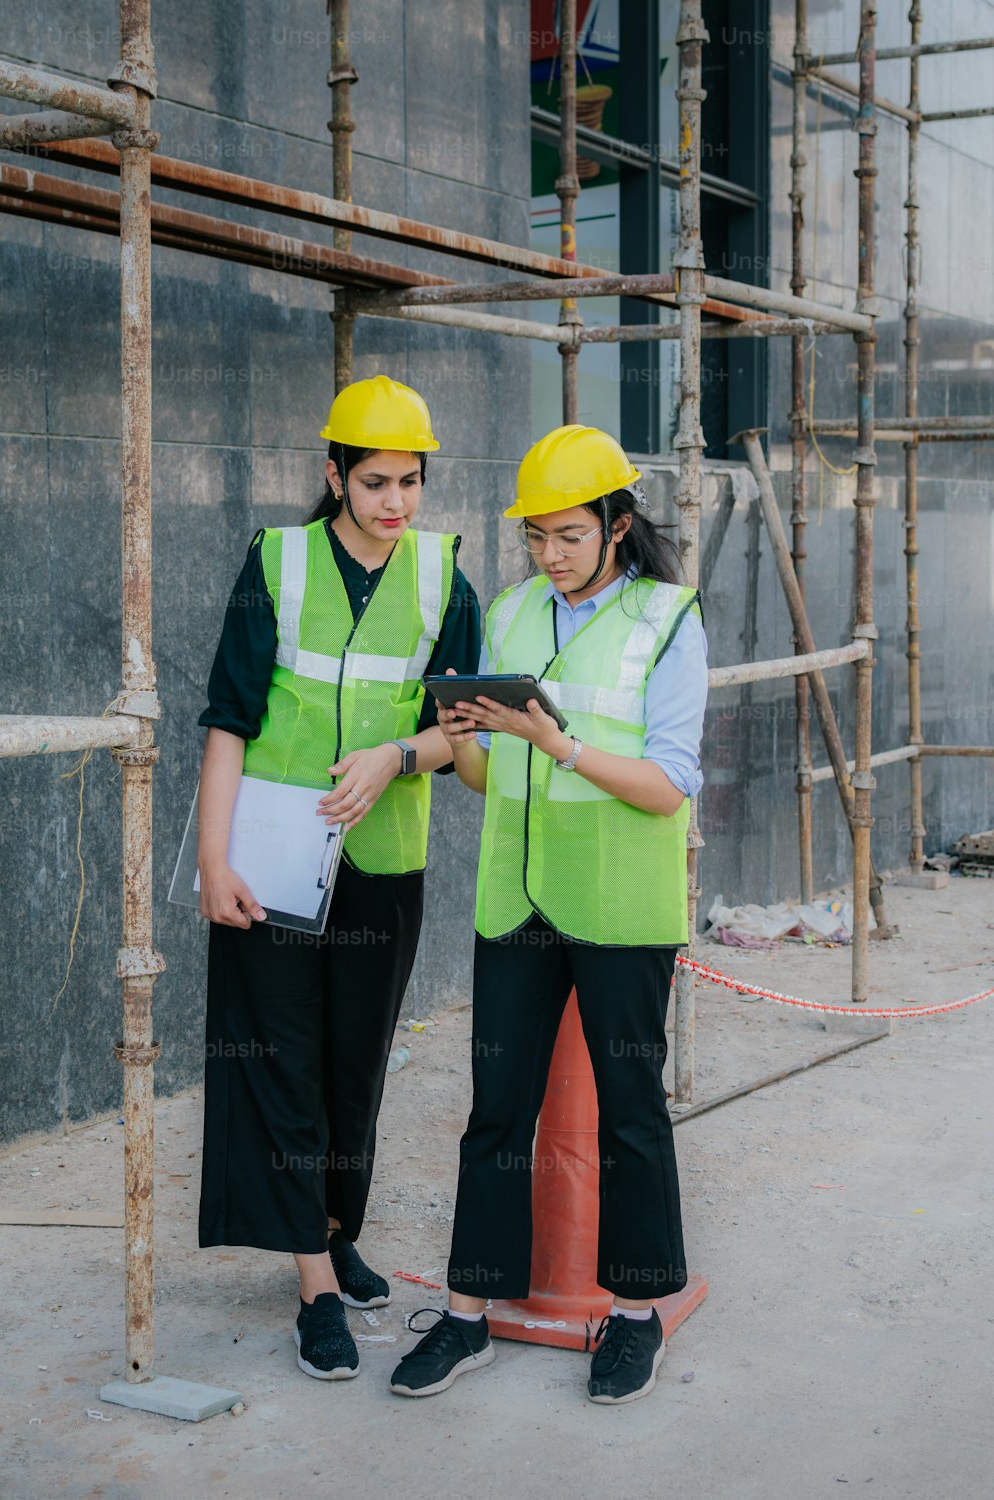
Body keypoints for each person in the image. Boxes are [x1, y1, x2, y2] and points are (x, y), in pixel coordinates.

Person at [390, 424, 708, 1405]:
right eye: (534, 537)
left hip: (619, 903)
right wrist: (464, 735)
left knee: (630, 1116)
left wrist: (555, 742)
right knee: (495, 1115)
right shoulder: (515, 611)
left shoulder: (669, 617)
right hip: (515, 901)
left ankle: (638, 1314)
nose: (548, 554)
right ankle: (468, 1312)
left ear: (618, 525)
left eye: (567, 534)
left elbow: (669, 786)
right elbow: (489, 780)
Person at [196, 375, 481, 1381]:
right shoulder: (274, 563)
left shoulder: (445, 576)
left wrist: (397, 757)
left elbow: (463, 733)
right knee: (282, 1058)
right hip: (271, 855)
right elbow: (228, 716)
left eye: (408, 482)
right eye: (373, 483)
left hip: (380, 859)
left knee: (354, 1065)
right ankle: (314, 1282)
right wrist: (210, 858)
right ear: (333, 476)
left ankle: (331, 1224)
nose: (395, 503)